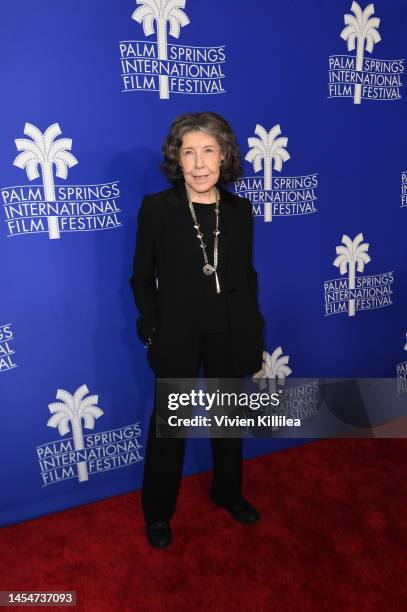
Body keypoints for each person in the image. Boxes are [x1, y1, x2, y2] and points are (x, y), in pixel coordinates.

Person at [129, 111, 266, 548]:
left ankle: (229, 492)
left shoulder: (240, 210)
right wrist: (152, 332)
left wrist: (254, 335)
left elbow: (246, 277)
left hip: (229, 330)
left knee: (228, 420)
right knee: (169, 425)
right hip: (177, 335)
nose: (200, 163)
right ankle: (158, 513)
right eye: (189, 152)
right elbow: (140, 278)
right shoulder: (157, 209)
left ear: (224, 156)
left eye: (208, 150)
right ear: (178, 159)